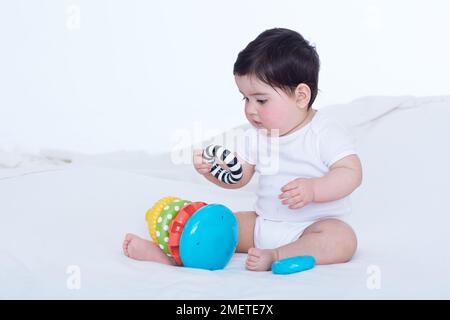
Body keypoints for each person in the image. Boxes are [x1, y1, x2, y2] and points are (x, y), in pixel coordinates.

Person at [123, 28, 362, 271]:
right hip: (262, 224)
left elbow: (351, 172)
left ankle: (277, 254)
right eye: (245, 99)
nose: (250, 109)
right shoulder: (256, 136)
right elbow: (239, 178)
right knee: (218, 223)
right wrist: (212, 172)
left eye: (261, 100)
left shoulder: (324, 131)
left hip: (313, 225)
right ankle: (170, 256)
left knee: (342, 239)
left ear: (301, 96)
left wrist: (314, 189)